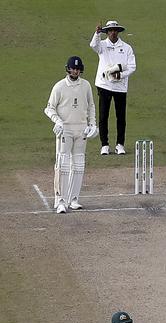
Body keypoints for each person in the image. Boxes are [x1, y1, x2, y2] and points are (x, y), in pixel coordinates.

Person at [44, 56, 98, 213]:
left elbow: (91, 106)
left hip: (81, 129)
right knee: (63, 164)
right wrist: (58, 121)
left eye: (78, 69)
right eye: (73, 68)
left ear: (81, 70)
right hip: (65, 130)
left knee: (79, 164)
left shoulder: (86, 85)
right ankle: (60, 200)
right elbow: (49, 108)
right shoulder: (59, 86)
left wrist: (92, 124)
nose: (75, 71)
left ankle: (73, 199)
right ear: (68, 69)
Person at [89, 20, 136, 155]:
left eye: (115, 30)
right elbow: (93, 45)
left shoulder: (126, 48)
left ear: (118, 32)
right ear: (107, 32)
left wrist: (120, 75)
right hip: (104, 85)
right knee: (103, 116)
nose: (113, 32)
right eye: (110, 30)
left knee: (121, 117)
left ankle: (120, 145)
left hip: (120, 87)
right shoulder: (102, 45)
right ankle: (104, 145)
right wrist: (97, 34)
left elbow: (132, 66)